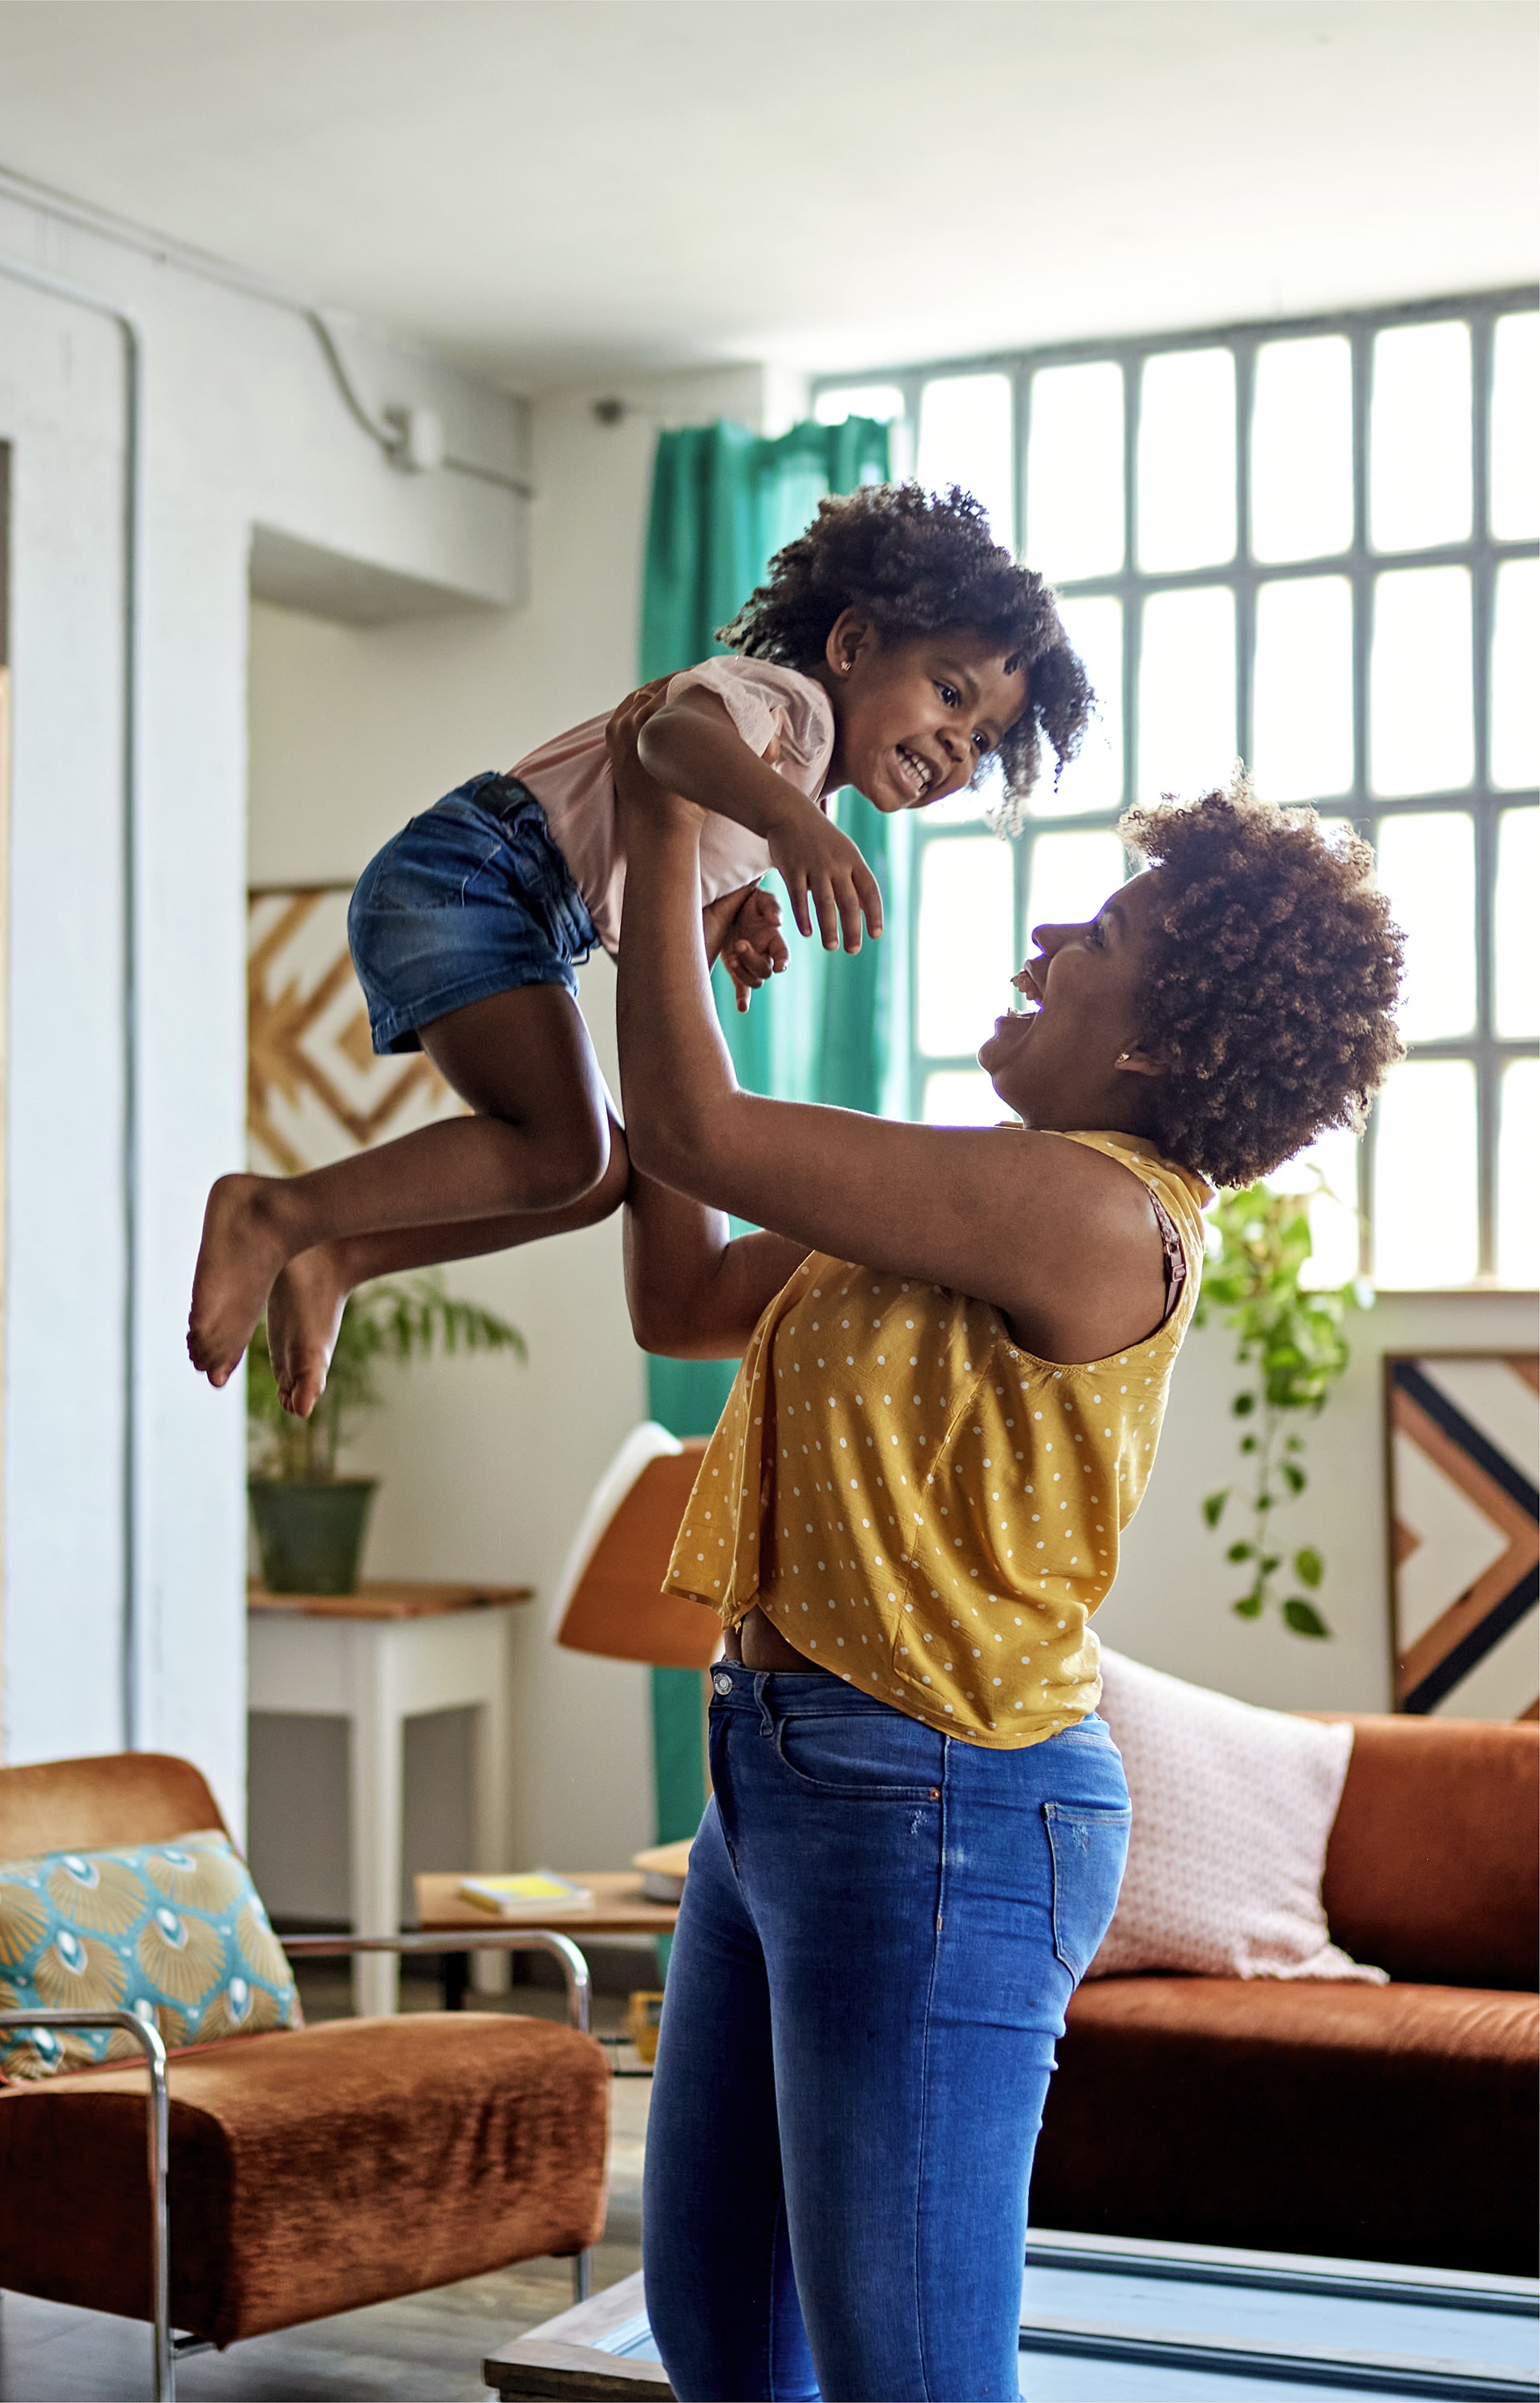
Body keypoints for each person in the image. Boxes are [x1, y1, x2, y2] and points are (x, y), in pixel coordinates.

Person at [606, 699, 1404, 2403]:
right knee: (728, 2348)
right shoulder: (976, 1201)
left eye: (1101, 935)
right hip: (778, 1781)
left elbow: (695, 1132)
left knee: (912, 2379)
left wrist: (659, 818)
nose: (1050, 936)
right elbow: (681, 1293)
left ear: (1165, 1046)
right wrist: (669, 954)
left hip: (942, 1807)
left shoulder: (1103, 1206)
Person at [186, 484, 1091, 1416]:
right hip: (476, 875)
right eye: (948, 692)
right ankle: (276, 1211)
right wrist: (785, 826)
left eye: (982, 738)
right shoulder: (788, 710)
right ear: (854, 645)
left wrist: (731, 915)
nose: (956, 742)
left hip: (516, 908)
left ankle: (341, 1251)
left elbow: (658, 889)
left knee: (589, 1178)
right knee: (567, 1150)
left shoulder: (800, 783)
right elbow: (666, 737)